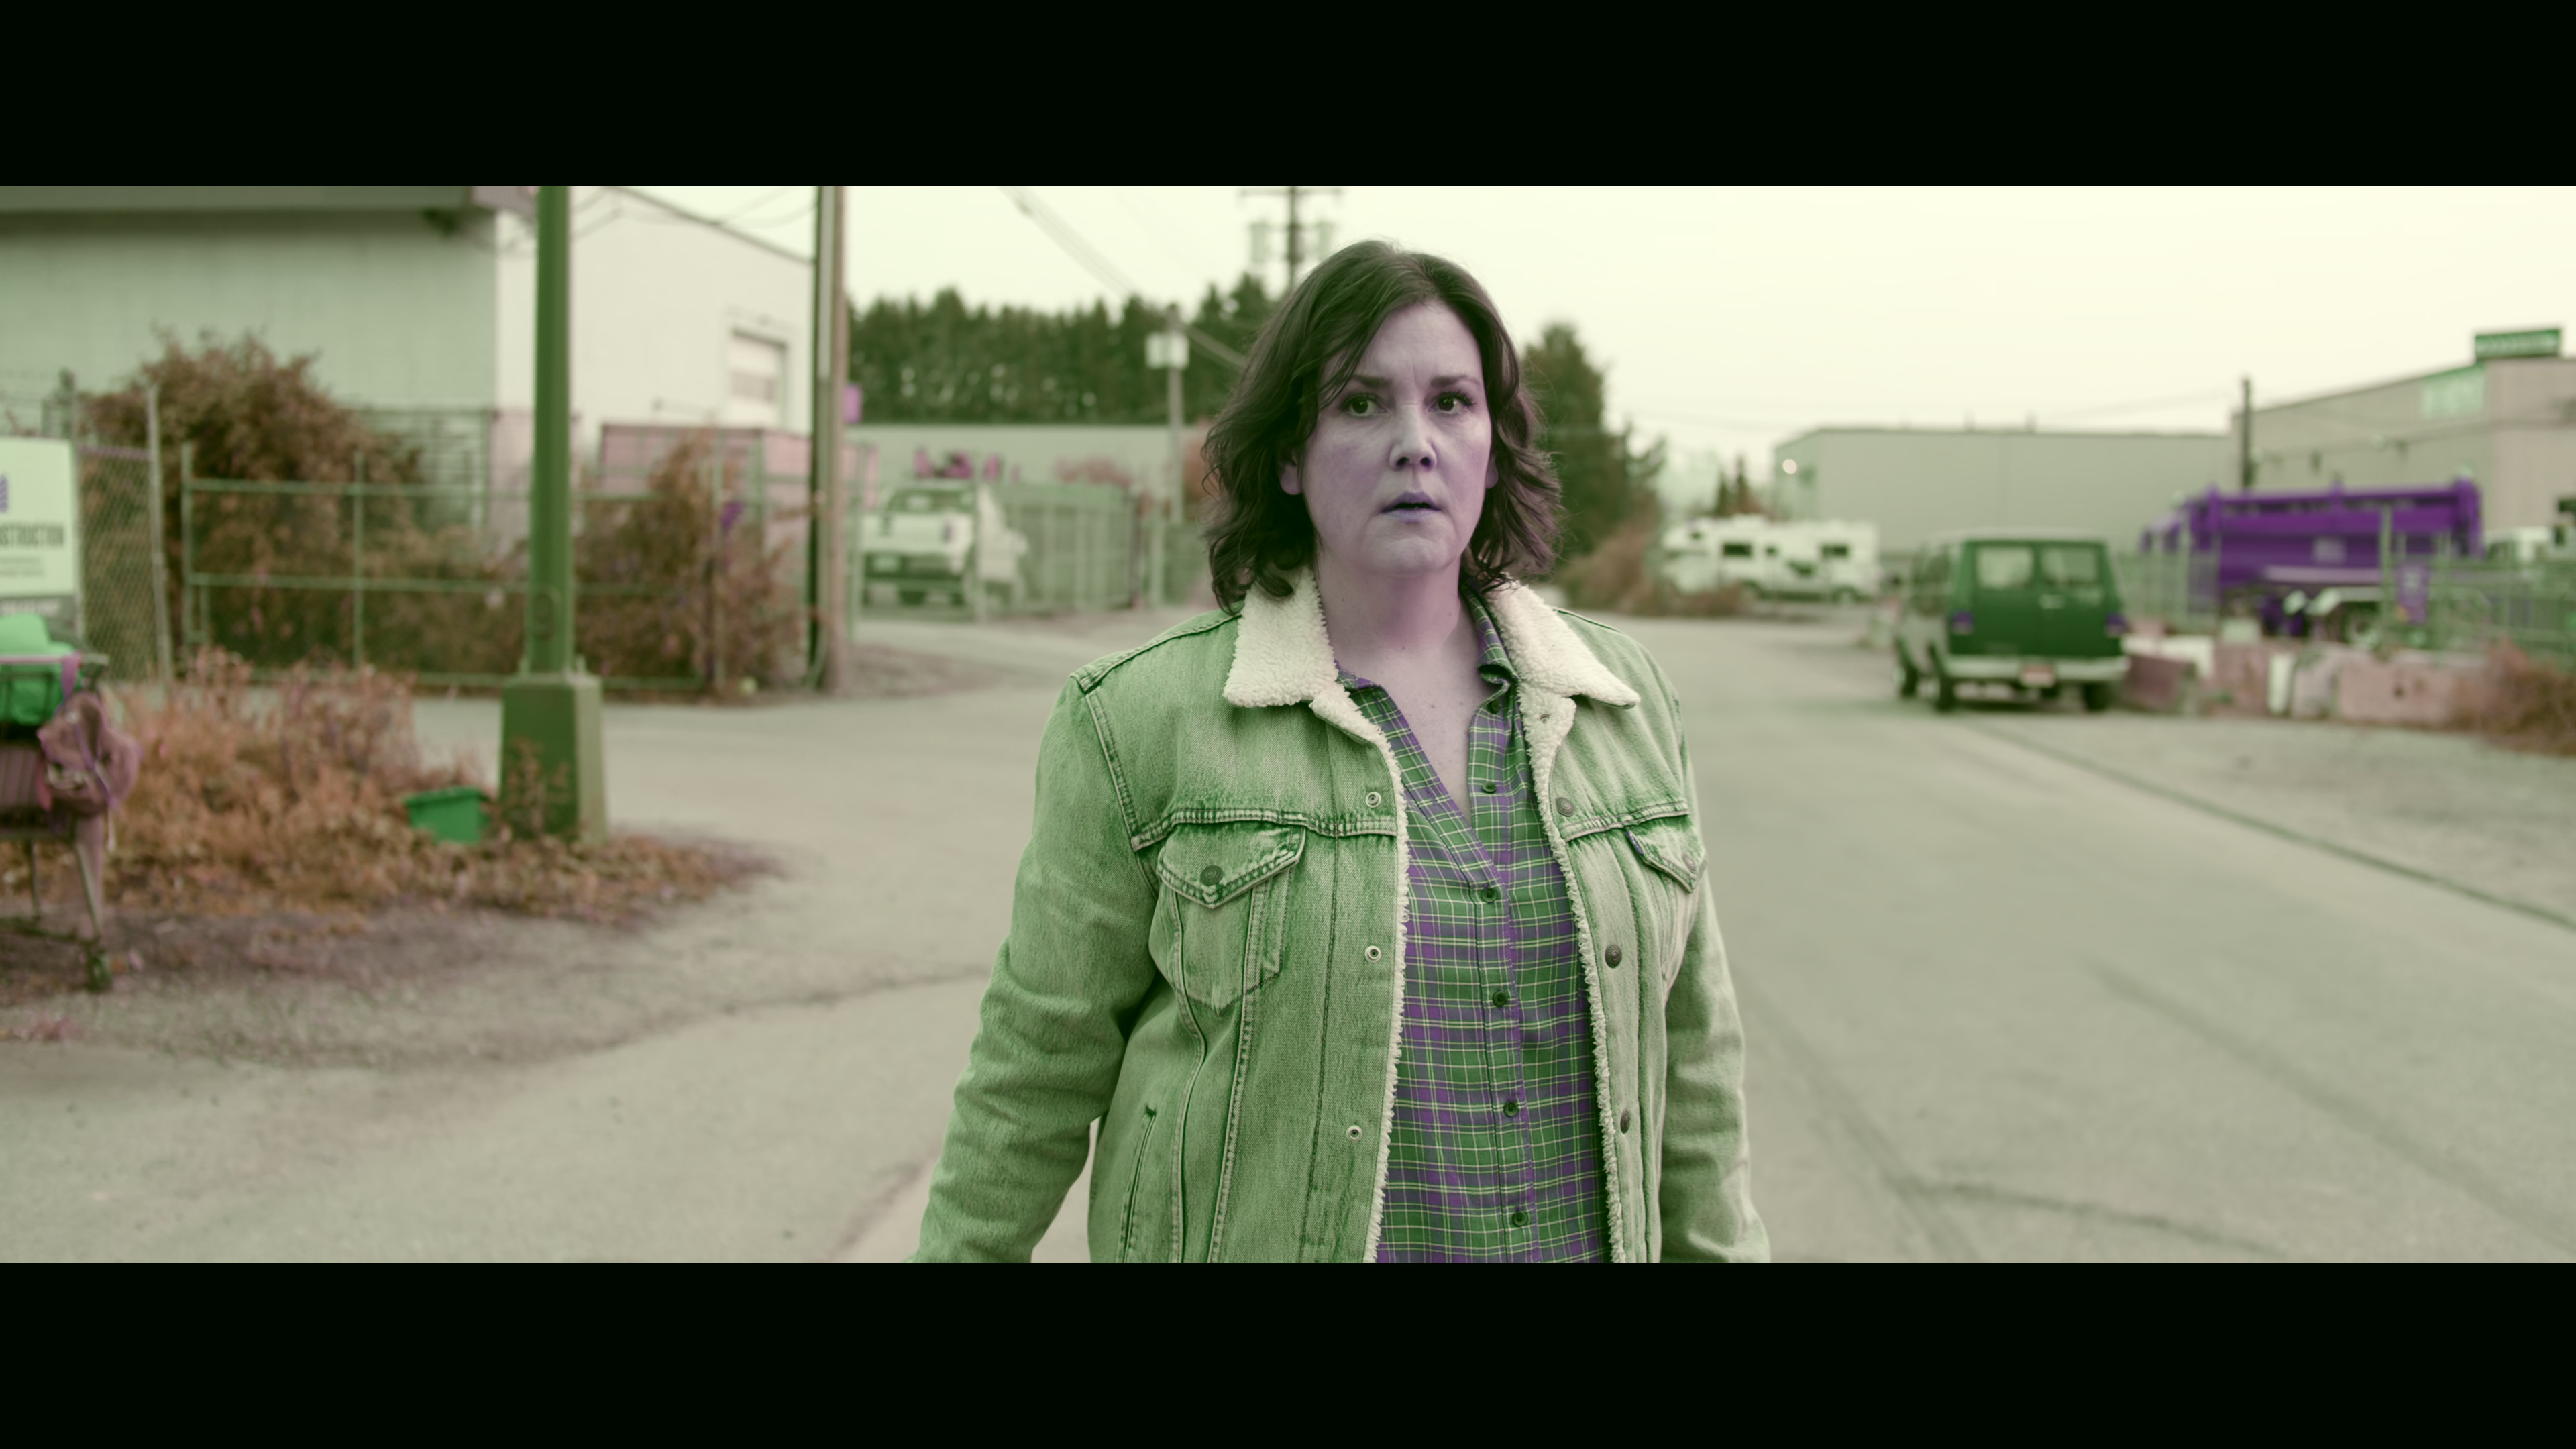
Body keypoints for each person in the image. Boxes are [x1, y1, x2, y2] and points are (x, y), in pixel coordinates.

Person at [915, 241, 1764, 1262]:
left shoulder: (1623, 703)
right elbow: (1032, 1074)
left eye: (1452, 402)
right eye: (1360, 404)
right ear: (1290, 454)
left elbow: (1696, 1075)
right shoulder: (1139, 720)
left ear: (1494, 448)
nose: (1415, 444)